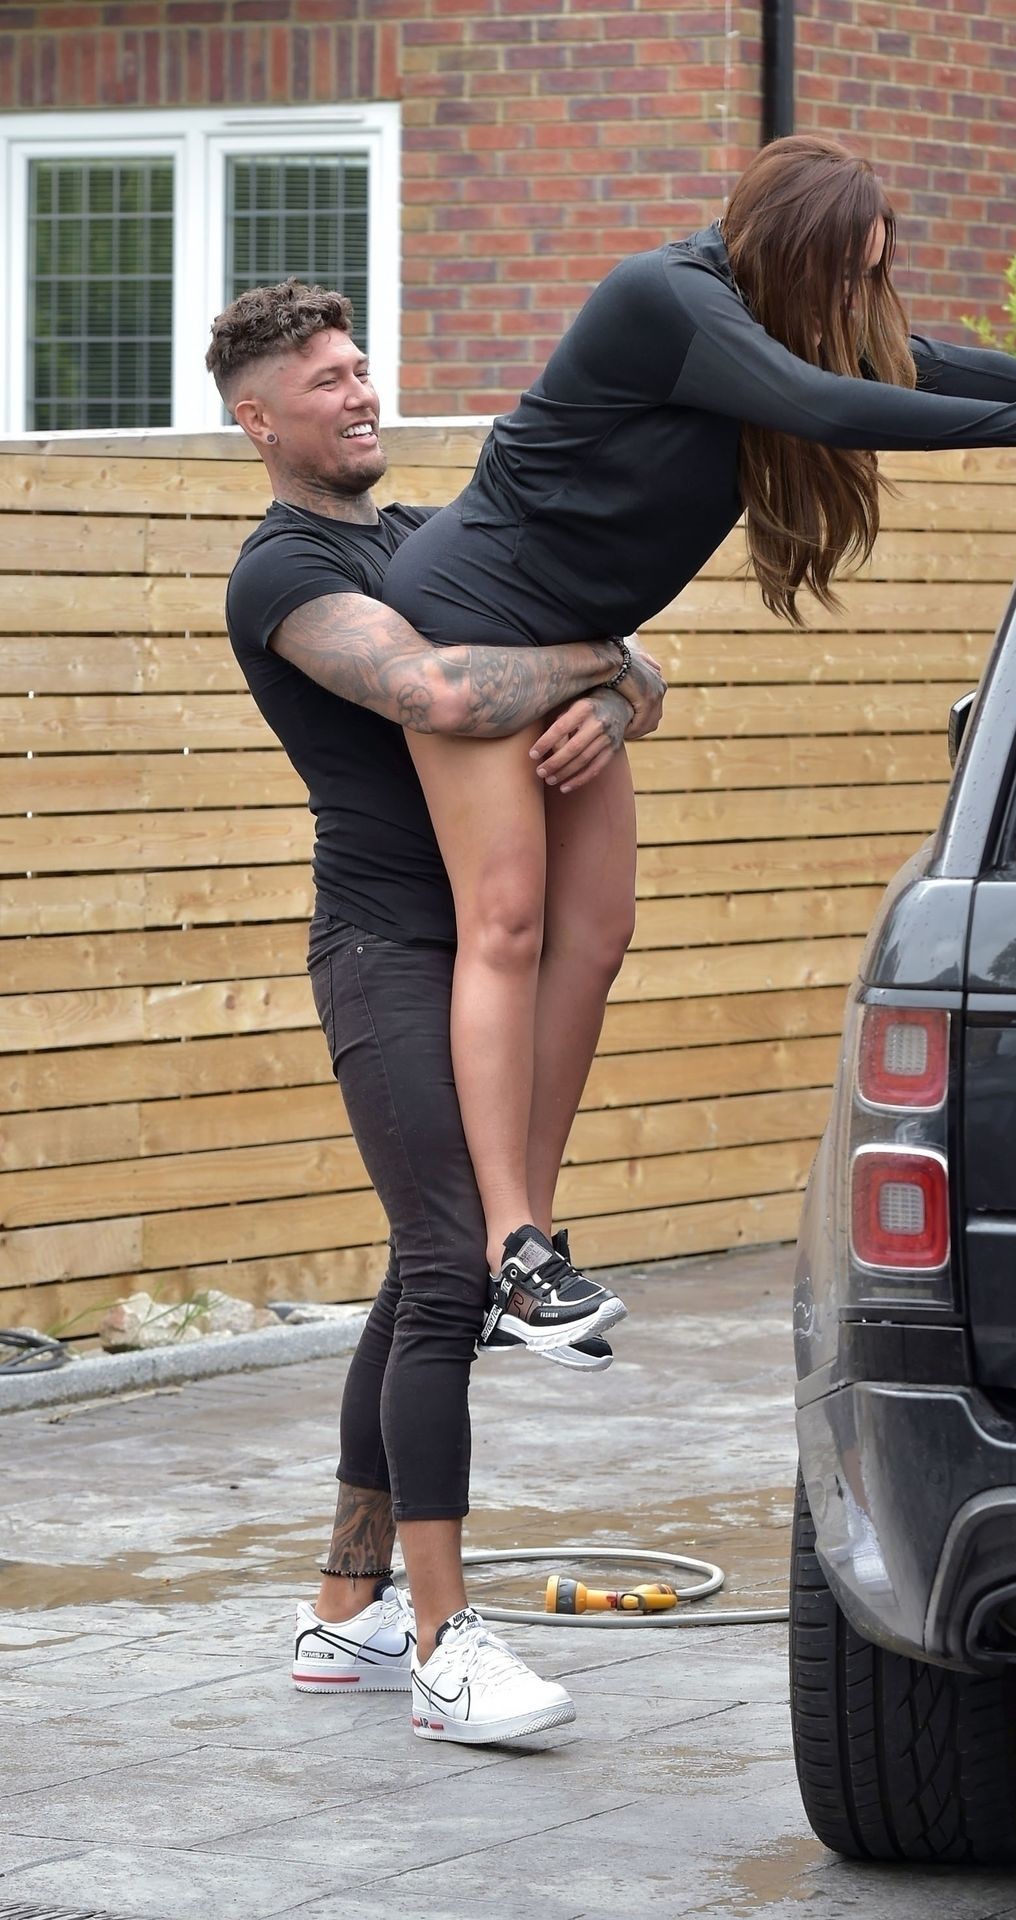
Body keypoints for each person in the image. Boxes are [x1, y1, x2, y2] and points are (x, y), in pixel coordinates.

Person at [377, 132, 1016, 1335]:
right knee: (508, 922)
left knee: (593, 937)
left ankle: (524, 1234)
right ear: (787, 251)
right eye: (843, 275)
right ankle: (507, 1242)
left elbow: (916, 363)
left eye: (868, 275)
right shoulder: (663, 298)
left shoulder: (774, 316)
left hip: (576, 648)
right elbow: (823, 403)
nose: (856, 299)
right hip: (472, 618)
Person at [209, 280, 665, 1746]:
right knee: (443, 1267)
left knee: (428, 1279)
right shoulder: (280, 574)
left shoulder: (423, 535)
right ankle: (444, 1644)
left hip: (488, 952)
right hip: (388, 950)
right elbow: (442, 690)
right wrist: (591, 668)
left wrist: (615, 697)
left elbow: (634, 662)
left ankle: (346, 1610)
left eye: (360, 369)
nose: (360, 395)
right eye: (324, 382)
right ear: (257, 421)